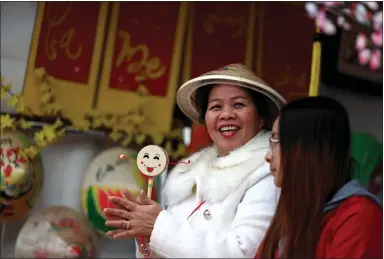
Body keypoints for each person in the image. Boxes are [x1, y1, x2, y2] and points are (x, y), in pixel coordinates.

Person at [102, 63, 286, 258]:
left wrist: (158, 227)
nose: (226, 115)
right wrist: (145, 237)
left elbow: (245, 252)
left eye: (238, 104)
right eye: (216, 107)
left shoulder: (268, 171)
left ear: (260, 117)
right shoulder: (189, 173)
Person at [257, 96, 383, 259]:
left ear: (309, 151)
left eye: (277, 140)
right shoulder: (294, 207)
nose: (268, 156)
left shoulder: (359, 216)